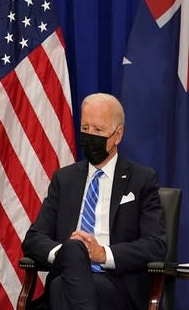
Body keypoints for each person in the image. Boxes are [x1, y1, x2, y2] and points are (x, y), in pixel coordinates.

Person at [22, 92, 166, 310]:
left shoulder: (141, 180)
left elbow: (155, 245)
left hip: (117, 283)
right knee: (72, 255)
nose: (89, 136)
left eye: (98, 130)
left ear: (117, 135)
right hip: (67, 274)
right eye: (85, 128)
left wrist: (103, 254)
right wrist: (68, 255)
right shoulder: (65, 179)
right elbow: (33, 238)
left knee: (62, 288)